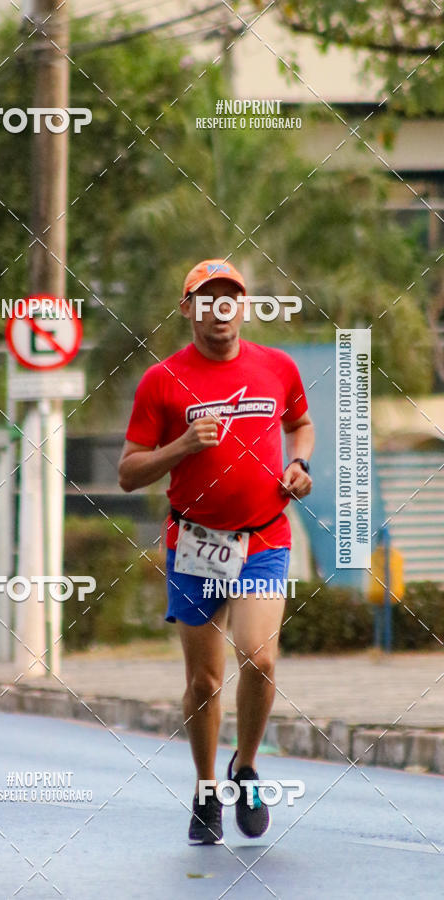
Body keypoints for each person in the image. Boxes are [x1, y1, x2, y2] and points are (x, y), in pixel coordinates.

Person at [118, 259, 314, 844]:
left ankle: (245, 767)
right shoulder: (162, 381)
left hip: (263, 536)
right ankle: (206, 791)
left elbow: (301, 423)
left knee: (260, 658)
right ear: (189, 310)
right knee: (204, 682)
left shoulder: (277, 367)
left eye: (230, 298)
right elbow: (128, 473)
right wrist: (180, 446)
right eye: (207, 299)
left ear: (243, 306)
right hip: (195, 544)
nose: (220, 309)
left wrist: (299, 463)